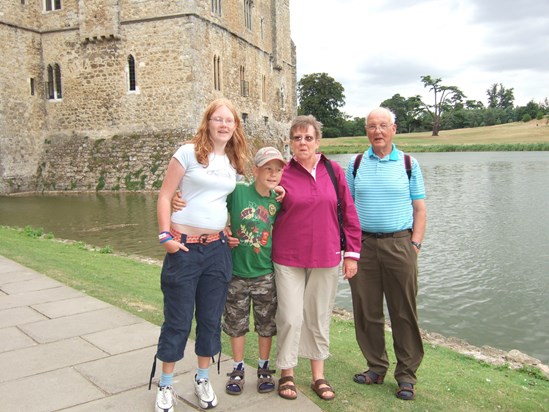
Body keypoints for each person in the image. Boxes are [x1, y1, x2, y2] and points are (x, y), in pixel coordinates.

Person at [151, 98, 249, 412]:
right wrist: (165, 235)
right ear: (207, 122)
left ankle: (202, 377)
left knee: (209, 319)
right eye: (218, 119)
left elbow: (226, 199)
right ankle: (165, 386)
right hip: (184, 248)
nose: (223, 125)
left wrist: (230, 227)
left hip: (218, 250)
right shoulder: (187, 152)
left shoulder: (233, 161)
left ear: (235, 127)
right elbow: (166, 195)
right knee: (177, 320)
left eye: (229, 120)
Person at [272, 115, 362, 401]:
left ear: (317, 141)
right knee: (289, 316)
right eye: (297, 138)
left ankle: (318, 376)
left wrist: (352, 255)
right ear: (290, 142)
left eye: (308, 138)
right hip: (288, 256)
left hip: (326, 256)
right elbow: (258, 200)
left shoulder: (333, 171)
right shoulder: (281, 172)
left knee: (318, 316)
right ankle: (287, 373)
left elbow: (349, 213)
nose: (302, 143)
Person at [346, 107, 426, 401]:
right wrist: (349, 248)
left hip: (400, 244)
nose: (377, 131)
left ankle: (406, 376)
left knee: (403, 312)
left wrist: (414, 245)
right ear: (366, 131)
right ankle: (376, 367)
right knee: (367, 311)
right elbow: (347, 210)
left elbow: (419, 209)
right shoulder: (355, 164)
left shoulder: (408, 163)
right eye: (371, 126)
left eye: (383, 125)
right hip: (363, 247)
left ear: (394, 129)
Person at [222, 147, 286, 396]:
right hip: (237, 273)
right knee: (236, 324)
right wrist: (223, 229)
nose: (273, 174)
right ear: (255, 170)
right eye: (267, 169)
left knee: (266, 325)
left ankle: (263, 367)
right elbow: (213, 208)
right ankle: (237, 368)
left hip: (265, 274)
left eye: (277, 170)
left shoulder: (277, 200)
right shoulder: (237, 192)